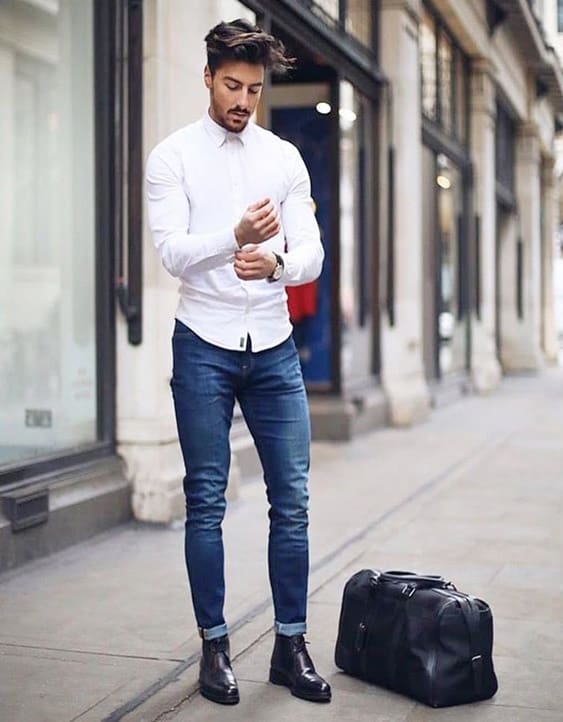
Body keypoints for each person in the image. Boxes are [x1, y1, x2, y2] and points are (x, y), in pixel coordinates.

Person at [145, 18, 330, 706]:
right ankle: (215, 648)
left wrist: (277, 261)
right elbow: (171, 253)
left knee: (294, 503)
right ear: (207, 77)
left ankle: (290, 646)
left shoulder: (282, 157)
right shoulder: (172, 157)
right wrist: (235, 238)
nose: (242, 100)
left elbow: (311, 251)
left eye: (253, 88)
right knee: (207, 502)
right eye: (231, 85)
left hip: (274, 348)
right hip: (203, 345)